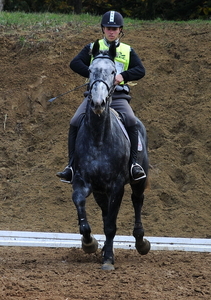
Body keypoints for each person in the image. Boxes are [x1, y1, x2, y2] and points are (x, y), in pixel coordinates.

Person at [57, 10, 146, 183]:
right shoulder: (92, 47)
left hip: (118, 97)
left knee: (131, 120)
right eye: (108, 28)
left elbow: (141, 70)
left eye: (115, 28)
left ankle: (134, 165)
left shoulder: (127, 50)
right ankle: (71, 167)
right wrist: (93, 76)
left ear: (120, 30)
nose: (111, 31)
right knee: (75, 121)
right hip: (94, 96)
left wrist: (123, 76)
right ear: (103, 29)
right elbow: (74, 63)